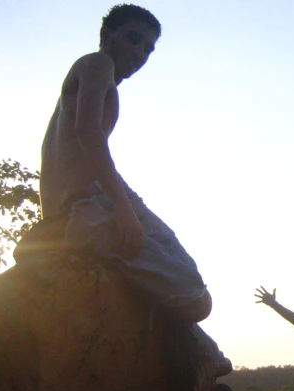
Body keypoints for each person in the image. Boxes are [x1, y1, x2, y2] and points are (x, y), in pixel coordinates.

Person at [38, 4, 229, 372]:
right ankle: (193, 343)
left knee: (188, 272)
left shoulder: (102, 74)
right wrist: (121, 210)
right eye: (133, 39)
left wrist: (126, 200)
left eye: (148, 48)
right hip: (87, 205)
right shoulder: (97, 63)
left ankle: (192, 341)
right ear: (107, 35)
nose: (140, 53)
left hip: (101, 194)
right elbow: (87, 133)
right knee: (198, 300)